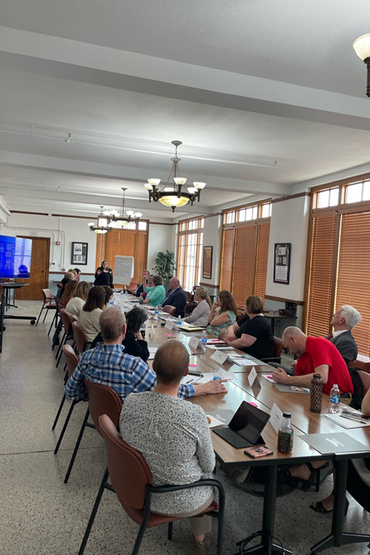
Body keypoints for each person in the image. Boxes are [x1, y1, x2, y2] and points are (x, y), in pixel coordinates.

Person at [120, 341, 216, 554]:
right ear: (185, 372)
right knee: (207, 475)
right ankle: (199, 540)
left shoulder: (131, 401)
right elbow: (208, 465)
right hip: (181, 499)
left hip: (138, 491)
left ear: (153, 367)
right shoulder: (193, 414)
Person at [65, 306, 228, 404]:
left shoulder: (86, 357)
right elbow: (165, 391)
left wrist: (96, 396)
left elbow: (70, 391)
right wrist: (202, 388)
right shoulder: (132, 364)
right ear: (124, 330)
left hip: (99, 415)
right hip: (126, 420)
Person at [272, 327, 354, 396]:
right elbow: (297, 382)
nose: (291, 351)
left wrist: (287, 380)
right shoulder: (301, 357)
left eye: (289, 347)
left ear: (292, 340)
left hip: (338, 397)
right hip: (317, 394)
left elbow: (321, 377)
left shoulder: (319, 344)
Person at [224, 295, 274, 359]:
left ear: (250, 306)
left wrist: (230, 343)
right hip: (243, 353)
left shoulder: (257, 322)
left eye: (245, 305)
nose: (243, 306)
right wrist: (231, 332)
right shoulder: (249, 318)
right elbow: (233, 326)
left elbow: (244, 343)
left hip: (255, 357)